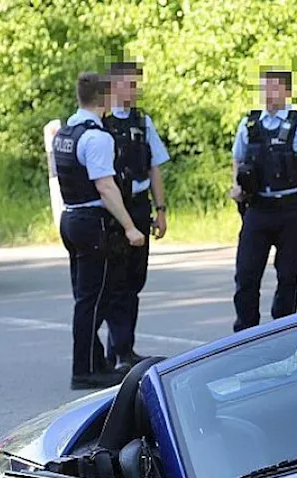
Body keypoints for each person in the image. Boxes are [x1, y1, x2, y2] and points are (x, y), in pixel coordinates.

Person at [51, 72, 147, 390]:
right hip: (93, 223)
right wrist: (130, 227)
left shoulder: (66, 132)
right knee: (95, 300)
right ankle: (86, 369)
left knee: (86, 296)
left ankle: (97, 361)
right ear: (104, 99)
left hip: (71, 219)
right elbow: (105, 186)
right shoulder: (98, 137)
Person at [229, 68, 297, 332]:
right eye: (265, 89)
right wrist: (237, 185)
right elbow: (238, 158)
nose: (269, 94)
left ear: (287, 92)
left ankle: (282, 330)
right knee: (246, 275)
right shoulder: (249, 124)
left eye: (274, 88)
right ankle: (244, 333)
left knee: (288, 275)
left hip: (290, 210)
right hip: (257, 209)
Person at [102, 60, 171, 372]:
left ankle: (121, 348)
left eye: (135, 85)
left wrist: (161, 210)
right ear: (113, 86)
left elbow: (155, 167)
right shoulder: (100, 122)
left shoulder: (143, 123)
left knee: (134, 279)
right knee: (114, 281)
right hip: (112, 209)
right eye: (127, 84)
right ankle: (118, 351)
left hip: (140, 207)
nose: (132, 90)